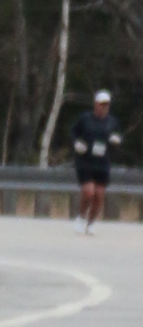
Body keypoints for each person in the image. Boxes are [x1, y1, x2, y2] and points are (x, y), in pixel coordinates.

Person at [69, 87, 120, 229]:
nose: (105, 107)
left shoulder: (112, 122)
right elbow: (73, 132)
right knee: (89, 192)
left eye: (107, 105)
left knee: (99, 195)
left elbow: (116, 136)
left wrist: (116, 140)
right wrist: (76, 143)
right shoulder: (85, 119)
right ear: (96, 104)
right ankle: (81, 217)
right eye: (102, 104)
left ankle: (91, 223)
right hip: (85, 161)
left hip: (102, 162)